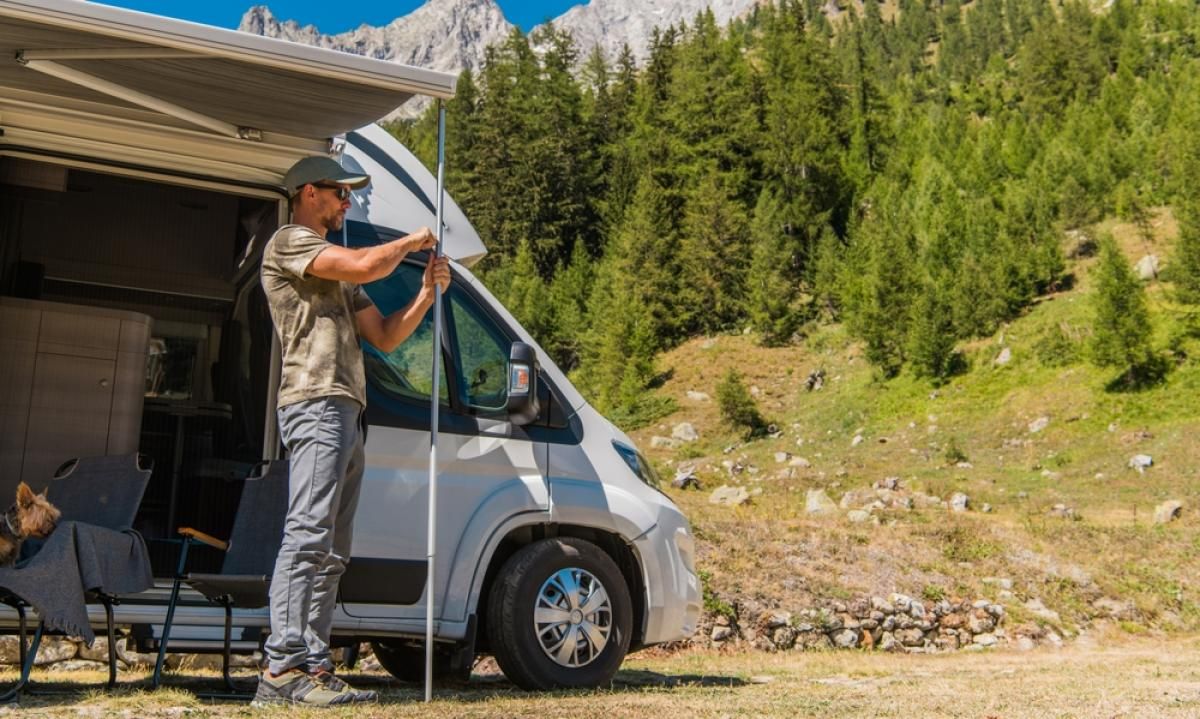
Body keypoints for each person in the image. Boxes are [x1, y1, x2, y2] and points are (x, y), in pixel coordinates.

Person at [253, 156, 450, 706]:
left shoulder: (335, 273)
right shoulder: (291, 243)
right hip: (314, 403)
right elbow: (365, 266)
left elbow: (385, 336)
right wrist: (412, 241)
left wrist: (425, 296)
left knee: (333, 548)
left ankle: (313, 667)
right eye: (341, 193)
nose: (346, 203)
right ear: (310, 192)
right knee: (308, 534)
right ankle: (282, 667)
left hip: (343, 407)